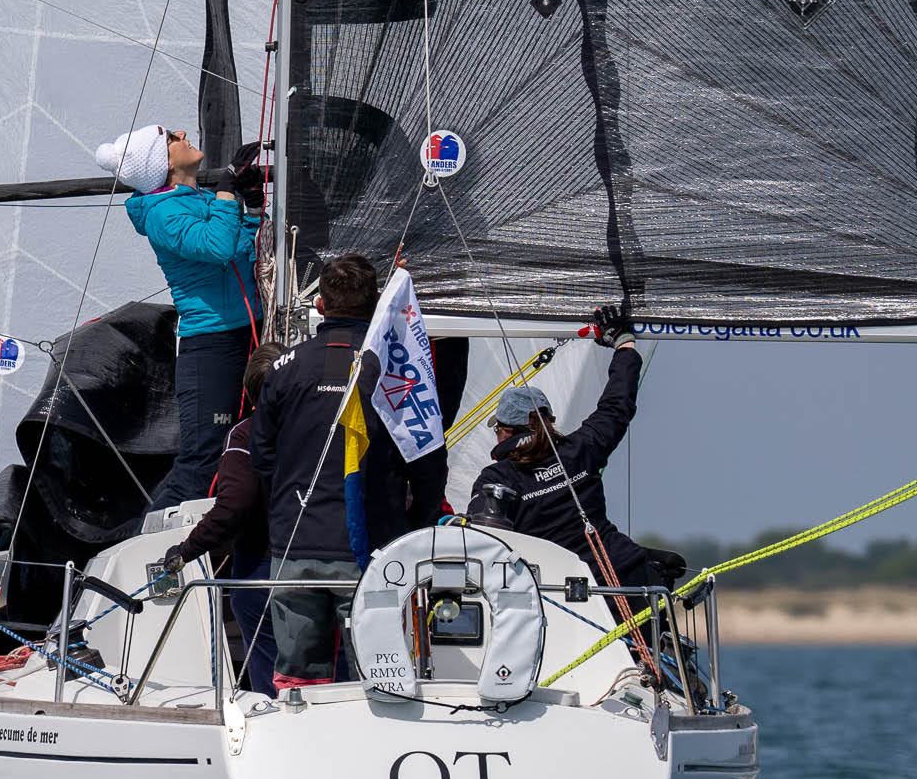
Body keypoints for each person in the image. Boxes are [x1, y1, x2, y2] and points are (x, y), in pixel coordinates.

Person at [250, 254, 449, 688]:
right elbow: (428, 454)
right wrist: (416, 525)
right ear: (376, 301)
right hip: (373, 548)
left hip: (296, 544)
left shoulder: (284, 369)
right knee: (382, 678)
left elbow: (261, 457)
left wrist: (285, 512)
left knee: (297, 683)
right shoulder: (395, 369)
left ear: (320, 304)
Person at [94, 123, 264, 512]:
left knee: (245, 446)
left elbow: (240, 250)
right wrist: (226, 188)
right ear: (164, 163)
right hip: (211, 346)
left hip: (242, 334)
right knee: (203, 460)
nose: (183, 133)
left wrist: (250, 207)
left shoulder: (194, 198)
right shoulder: (162, 213)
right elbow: (218, 247)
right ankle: (145, 551)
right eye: (171, 137)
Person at [465, 306, 686, 589]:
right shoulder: (581, 448)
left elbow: (480, 543)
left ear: (505, 431)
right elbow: (617, 405)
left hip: (568, 596)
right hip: (627, 574)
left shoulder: (497, 479)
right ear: (550, 421)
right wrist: (624, 343)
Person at [158, 339, 287, 695]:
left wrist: (185, 551)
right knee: (327, 671)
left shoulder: (245, 434)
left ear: (249, 388)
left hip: (261, 569)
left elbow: (235, 505)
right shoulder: (320, 431)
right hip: (322, 566)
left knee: (268, 670)